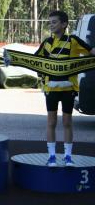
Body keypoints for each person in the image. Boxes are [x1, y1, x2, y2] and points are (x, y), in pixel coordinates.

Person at [35, 10, 95, 167]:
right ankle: (52, 156)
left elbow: (92, 52)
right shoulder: (47, 43)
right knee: (51, 122)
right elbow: (34, 60)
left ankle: (68, 156)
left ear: (64, 24)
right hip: (51, 90)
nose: (51, 25)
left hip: (69, 89)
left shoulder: (73, 40)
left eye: (54, 22)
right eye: (50, 22)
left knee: (67, 122)